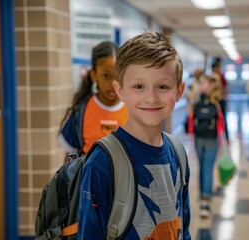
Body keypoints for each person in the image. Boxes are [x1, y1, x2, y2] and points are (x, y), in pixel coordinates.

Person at [78, 32, 191, 239]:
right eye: (138, 86)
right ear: (120, 91)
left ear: (179, 91)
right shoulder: (102, 162)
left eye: (163, 86)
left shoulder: (178, 153)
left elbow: (183, 227)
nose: (151, 97)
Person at [58, 42, 128, 154]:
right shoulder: (80, 112)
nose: (113, 83)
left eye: (118, 76)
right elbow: (70, 162)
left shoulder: (134, 111)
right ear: (94, 75)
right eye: (106, 76)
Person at [193, 74, 221, 218]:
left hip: (199, 137)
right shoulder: (218, 102)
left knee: (202, 166)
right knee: (207, 168)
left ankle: (202, 195)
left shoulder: (197, 101)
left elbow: (190, 116)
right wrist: (226, 140)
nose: (200, 85)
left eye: (203, 83)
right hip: (211, 138)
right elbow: (223, 122)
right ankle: (205, 198)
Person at [211, 57, 229, 141]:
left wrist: (225, 98)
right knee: (214, 119)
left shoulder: (221, 76)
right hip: (212, 101)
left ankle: (226, 137)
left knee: (223, 119)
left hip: (220, 100)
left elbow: (225, 87)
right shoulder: (211, 78)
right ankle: (216, 137)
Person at [184, 69, 205, 133]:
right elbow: (188, 96)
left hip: (197, 108)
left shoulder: (200, 84)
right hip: (194, 108)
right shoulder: (193, 84)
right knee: (193, 126)